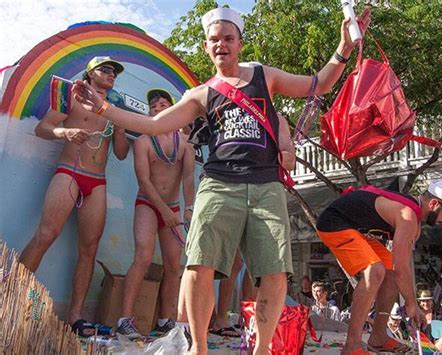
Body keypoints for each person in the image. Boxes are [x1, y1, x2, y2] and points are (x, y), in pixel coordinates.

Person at [72, 6, 371, 353]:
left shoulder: (263, 75)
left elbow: (316, 84)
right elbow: (155, 125)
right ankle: (199, 347)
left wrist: (343, 49)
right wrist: (103, 109)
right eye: (214, 40)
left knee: (274, 273)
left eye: (228, 38)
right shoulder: (201, 93)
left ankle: (261, 348)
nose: (221, 45)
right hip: (219, 185)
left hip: (266, 186)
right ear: (206, 47)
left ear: (240, 43)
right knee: (199, 265)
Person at [19, 56, 130, 336]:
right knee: (46, 234)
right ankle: (12, 297)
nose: (111, 74)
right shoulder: (70, 96)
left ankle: (77, 317)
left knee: (89, 249)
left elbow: (120, 153)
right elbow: (41, 128)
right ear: (90, 73)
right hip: (69, 172)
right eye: (105, 69)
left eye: (114, 72)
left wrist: (119, 127)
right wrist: (65, 131)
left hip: (97, 181)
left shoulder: (113, 109)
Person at [316, 180, 442, 354]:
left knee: (388, 271)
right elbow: (401, 267)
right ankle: (352, 346)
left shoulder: (412, 219)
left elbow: (400, 269)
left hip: (355, 229)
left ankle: (378, 337)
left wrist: (412, 301)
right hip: (333, 223)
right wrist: (411, 304)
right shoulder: (408, 216)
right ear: (433, 203)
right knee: (375, 271)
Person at [116, 89, 195, 339]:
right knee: (143, 256)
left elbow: (188, 178)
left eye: (163, 104)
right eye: (153, 106)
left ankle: (165, 321)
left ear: (173, 109)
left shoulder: (185, 144)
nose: (158, 108)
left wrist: (189, 208)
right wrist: (164, 210)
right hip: (148, 205)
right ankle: (124, 320)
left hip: (173, 208)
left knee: (174, 266)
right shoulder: (143, 141)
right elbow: (144, 181)